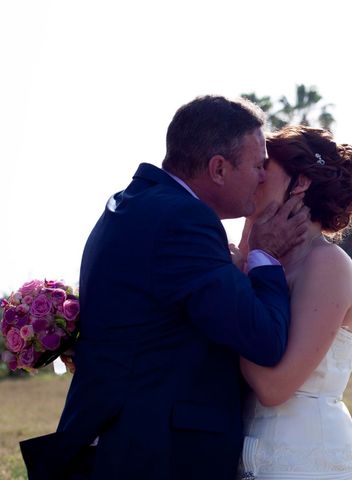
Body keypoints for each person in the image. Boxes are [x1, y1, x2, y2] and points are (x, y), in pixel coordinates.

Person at [19, 95, 309, 480]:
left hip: (121, 441)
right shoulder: (183, 220)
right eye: (257, 165)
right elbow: (264, 339)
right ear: (218, 168)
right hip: (158, 455)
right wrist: (265, 255)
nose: (262, 176)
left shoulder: (132, 203)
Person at [235, 125, 352, 480]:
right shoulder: (257, 259)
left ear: (300, 183)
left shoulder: (327, 264)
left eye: (263, 166)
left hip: (304, 463)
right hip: (249, 460)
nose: (252, 174)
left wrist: (232, 284)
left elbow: (275, 387)